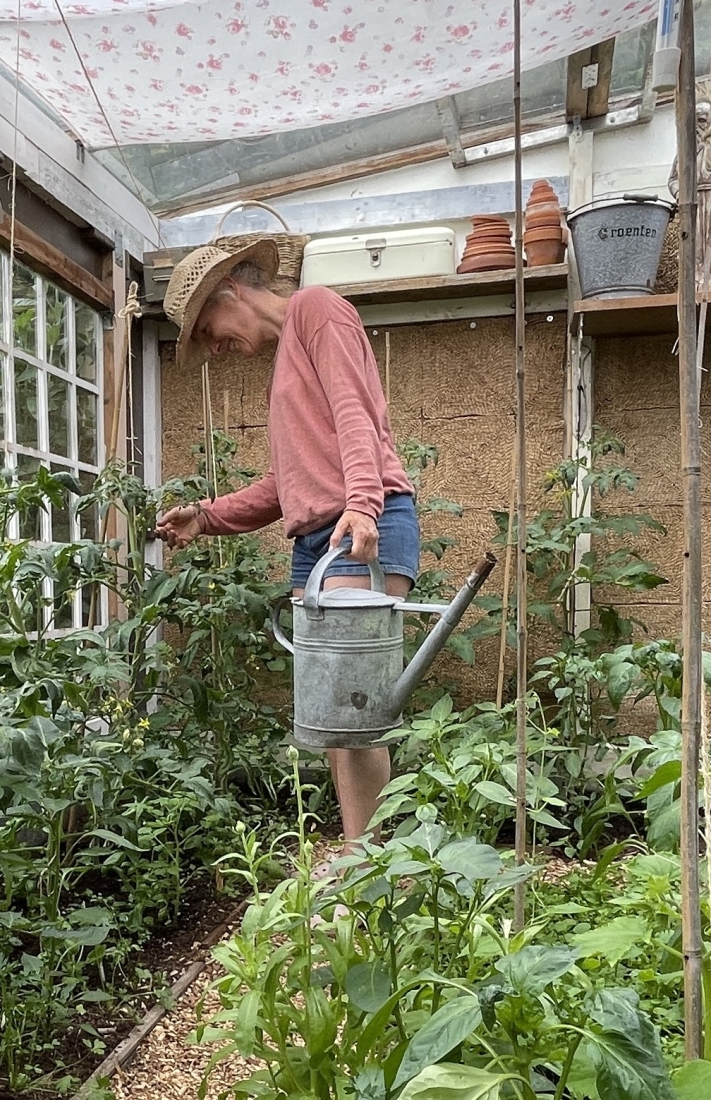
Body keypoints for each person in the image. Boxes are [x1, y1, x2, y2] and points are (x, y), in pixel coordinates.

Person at [154, 237, 419, 846]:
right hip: (318, 542)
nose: (216, 348)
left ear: (232, 290)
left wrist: (361, 504)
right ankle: (364, 855)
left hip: (360, 526)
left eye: (210, 330)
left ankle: (366, 868)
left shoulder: (317, 310)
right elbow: (287, 481)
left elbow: (355, 412)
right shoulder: (289, 359)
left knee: (354, 715)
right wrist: (207, 515)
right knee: (331, 720)